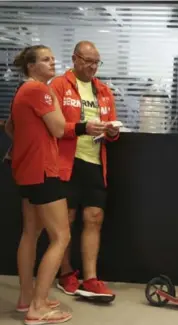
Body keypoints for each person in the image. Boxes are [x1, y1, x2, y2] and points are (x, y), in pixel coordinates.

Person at [49, 41, 120, 302]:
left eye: (96, 62)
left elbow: (111, 126)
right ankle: (65, 273)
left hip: (93, 162)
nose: (92, 67)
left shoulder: (103, 91)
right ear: (75, 59)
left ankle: (90, 278)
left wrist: (112, 132)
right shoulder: (58, 86)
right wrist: (80, 128)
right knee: (64, 220)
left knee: (94, 217)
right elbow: (52, 126)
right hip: (65, 162)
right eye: (87, 61)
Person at [9, 45, 72, 324]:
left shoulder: (23, 91)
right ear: (31, 66)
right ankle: (37, 308)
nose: (52, 63)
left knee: (31, 233)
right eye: (46, 59)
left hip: (27, 171)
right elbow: (59, 128)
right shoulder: (39, 90)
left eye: (52, 59)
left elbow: (10, 127)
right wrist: (52, 94)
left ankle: (27, 299)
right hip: (44, 171)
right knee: (61, 237)